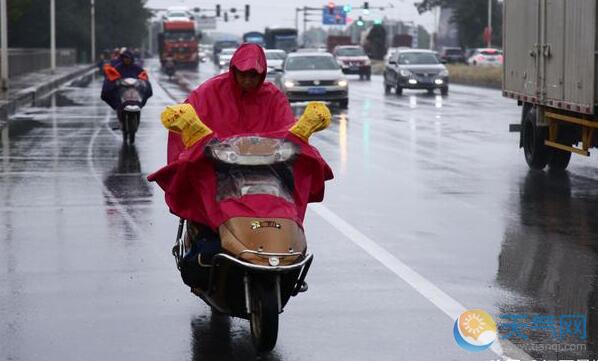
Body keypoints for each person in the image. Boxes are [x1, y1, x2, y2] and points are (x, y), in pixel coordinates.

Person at [100, 50, 153, 123]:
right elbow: (112, 75)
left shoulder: (136, 67)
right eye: (125, 58)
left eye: (128, 58)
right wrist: (114, 82)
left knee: (148, 90)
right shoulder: (118, 67)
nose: (127, 59)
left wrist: (143, 82)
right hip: (122, 91)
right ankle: (118, 108)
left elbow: (143, 75)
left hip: (135, 91)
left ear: (131, 59)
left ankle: (139, 106)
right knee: (106, 92)